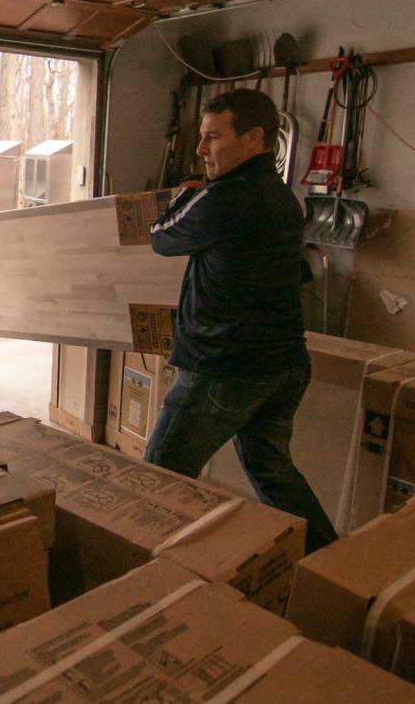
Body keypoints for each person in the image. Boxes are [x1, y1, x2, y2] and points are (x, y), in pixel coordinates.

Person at [146, 89, 337, 554]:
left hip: (223, 369)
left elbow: (161, 239)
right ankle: (333, 561)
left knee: (153, 478)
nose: (201, 150)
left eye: (213, 137)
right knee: (273, 471)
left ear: (252, 139)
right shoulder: (283, 198)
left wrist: (183, 195)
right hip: (283, 364)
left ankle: (140, 571)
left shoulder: (222, 199)